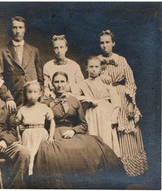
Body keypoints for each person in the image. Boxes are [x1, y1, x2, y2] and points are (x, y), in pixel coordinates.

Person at [33, 71, 125, 189]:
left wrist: (74, 131)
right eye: (56, 82)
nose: (60, 85)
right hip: (54, 133)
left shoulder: (74, 100)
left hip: (73, 133)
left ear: (67, 83)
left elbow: (83, 124)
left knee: (94, 147)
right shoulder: (46, 102)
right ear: (52, 84)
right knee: (53, 153)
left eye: (62, 82)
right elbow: (42, 123)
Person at [97, 29, 148, 177]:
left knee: (126, 134)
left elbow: (130, 83)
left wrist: (131, 104)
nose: (104, 46)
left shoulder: (121, 60)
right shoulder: (96, 61)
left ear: (113, 43)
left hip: (122, 99)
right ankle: (113, 171)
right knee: (110, 134)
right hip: (106, 101)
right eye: (102, 43)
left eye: (107, 42)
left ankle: (130, 171)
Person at [73, 56, 121, 157]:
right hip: (91, 113)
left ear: (100, 68)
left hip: (105, 112)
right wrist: (87, 99)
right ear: (86, 68)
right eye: (91, 66)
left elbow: (116, 101)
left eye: (96, 66)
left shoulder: (106, 82)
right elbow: (75, 96)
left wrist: (114, 117)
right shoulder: (83, 83)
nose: (93, 69)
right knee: (93, 135)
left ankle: (109, 159)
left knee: (106, 136)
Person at [0, 16, 44, 106]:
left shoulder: (34, 51)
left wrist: (39, 97)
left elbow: (40, 79)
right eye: (15, 27)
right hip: (13, 101)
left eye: (20, 27)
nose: (18, 31)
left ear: (25, 29)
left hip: (33, 100)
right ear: (10, 29)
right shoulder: (2, 51)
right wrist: (8, 98)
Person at [16, 80, 55, 175]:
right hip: (28, 134)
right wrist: (19, 138)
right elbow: (17, 124)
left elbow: (52, 121)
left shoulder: (43, 107)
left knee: (40, 155)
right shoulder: (23, 109)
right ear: (25, 93)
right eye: (29, 92)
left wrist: (51, 137)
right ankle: (29, 177)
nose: (32, 95)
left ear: (40, 94)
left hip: (41, 134)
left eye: (35, 92)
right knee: (29, 155)